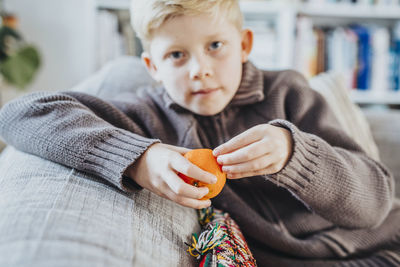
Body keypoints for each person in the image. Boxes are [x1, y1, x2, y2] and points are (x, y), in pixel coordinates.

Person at [0, 0, 399, 265]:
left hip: (382, 247)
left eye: (215, 46)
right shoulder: (146, 115)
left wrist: (295, 154)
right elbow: (21, 112)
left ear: (244, 45)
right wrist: (139, 158)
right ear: (152, 66)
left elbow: (376, 203)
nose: (199, 69)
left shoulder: (288, 92)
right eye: (177, 55)